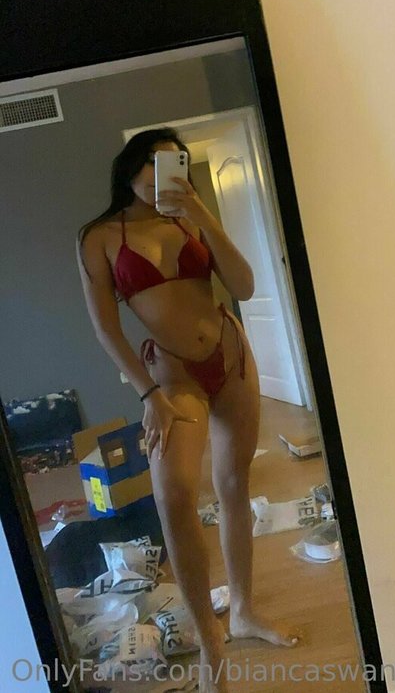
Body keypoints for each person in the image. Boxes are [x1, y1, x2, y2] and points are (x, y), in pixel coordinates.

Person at [76, 127, 299, 693]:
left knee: (234, 484)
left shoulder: (189, 218)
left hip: (231, 356)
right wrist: (147, 395)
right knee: (173, 494)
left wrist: (199, 211)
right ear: (130, 169)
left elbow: (243, 286)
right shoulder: (99, 237)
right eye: (152, 168)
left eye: (174, 166)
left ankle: (242, 611)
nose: (161, 180)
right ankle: (209, 638)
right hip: (172, 376)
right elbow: (106, 329)